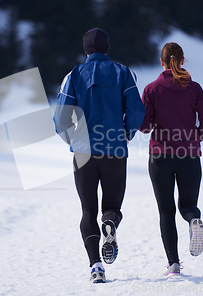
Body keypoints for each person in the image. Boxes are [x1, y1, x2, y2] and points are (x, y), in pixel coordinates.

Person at [53, 28, 145, 283]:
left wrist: (74, 140)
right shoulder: (123, 73)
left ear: (86, 50)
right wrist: (128, 132)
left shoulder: (72, 75)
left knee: (87, 210)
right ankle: (110, 222)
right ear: (107, 48)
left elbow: (60, 120)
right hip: (115, 149)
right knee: (112, 207)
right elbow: (137, 110)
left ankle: (95, 266)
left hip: (84, 152)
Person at [139, 42, 203, 277]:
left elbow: (144, 125)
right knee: (188, 205)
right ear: (182, 61)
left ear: (162, 62)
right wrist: (194, 139)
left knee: (166, 211)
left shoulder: (151, 89)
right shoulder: (195, 89)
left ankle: (174, 264)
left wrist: (149, 125)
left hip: (160, 155)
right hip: (189, 155)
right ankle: (194, 220)